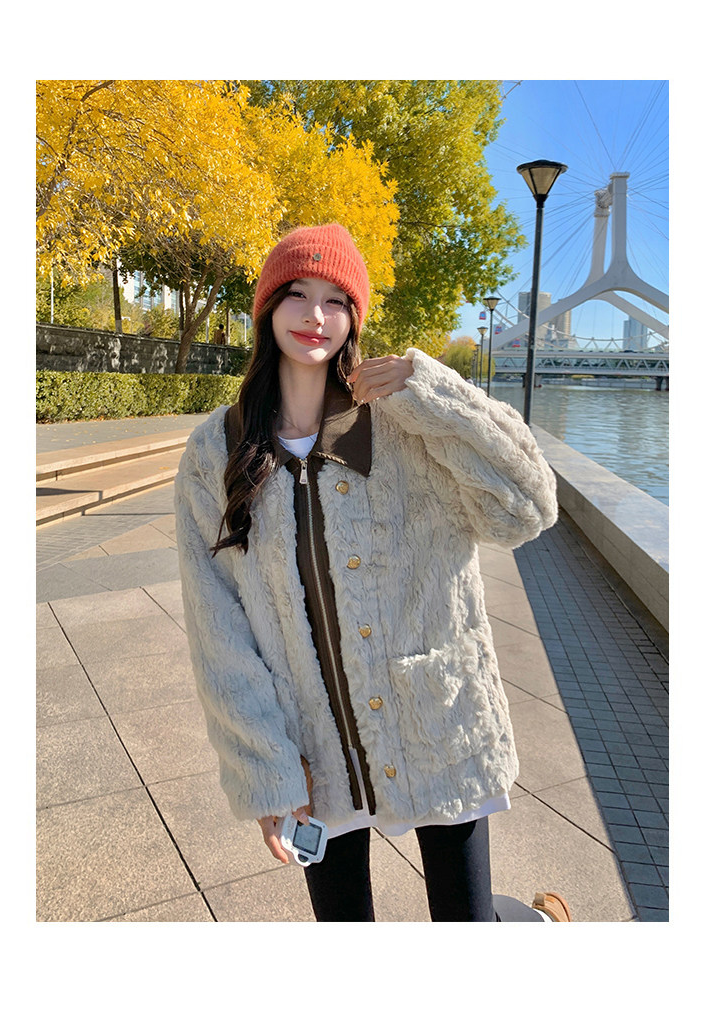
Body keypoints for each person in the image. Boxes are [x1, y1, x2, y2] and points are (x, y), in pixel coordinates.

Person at [174, 222, 572, 922]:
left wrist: (437, 393)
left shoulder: (404, 422)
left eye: (336, 299)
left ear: (355, 317)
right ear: (267, 307)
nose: (315, 315)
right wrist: (263, 764)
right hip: (313, 745)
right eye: (297, 293)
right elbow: (218, 629)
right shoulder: (217, 451)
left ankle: (534, 925)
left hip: (438, 722)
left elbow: (529, 508)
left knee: (466, 929)